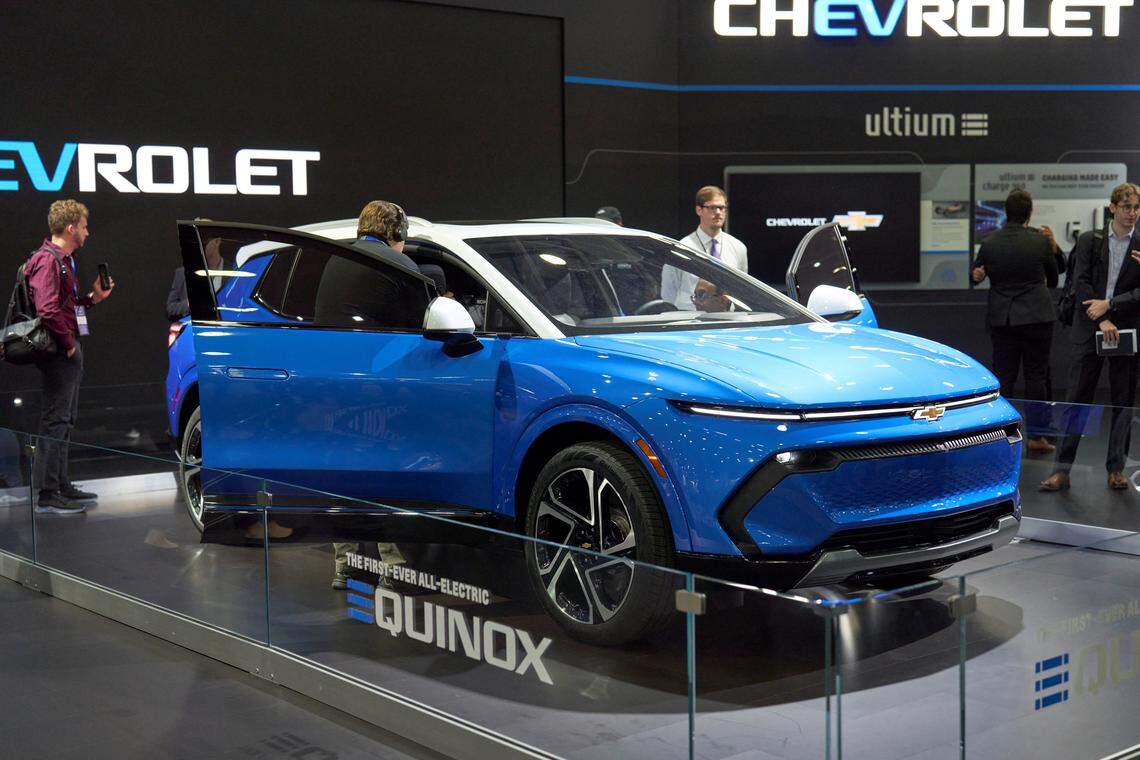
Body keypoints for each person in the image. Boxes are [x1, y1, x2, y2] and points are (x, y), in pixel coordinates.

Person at [328, 200, 416, 589]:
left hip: (333, 383)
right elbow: (422, 333)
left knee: (343, 474)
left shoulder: (334, 261)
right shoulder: (399, 266)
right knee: (385, 475)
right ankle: (393, 569)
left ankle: (344, 564)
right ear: (395, 234)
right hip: (380, 387)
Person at [1041, 182, 1140, 492]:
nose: (1132, 213)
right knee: (1077, 401)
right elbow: (1080, 283)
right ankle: (1061, 470)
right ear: (1112, 208)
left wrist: (1111, 307)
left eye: (1136, 208)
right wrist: (1101, 320)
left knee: (1123, 402)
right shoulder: (1089, 241)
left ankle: (1116, 469)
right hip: (1090, 329)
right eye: (1126, 207)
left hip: (1124, 331)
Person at [25, 200, 114, 514]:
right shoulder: (48, 260)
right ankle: (49, 493)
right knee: (55, 420)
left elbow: (67, 307)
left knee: (65, 420)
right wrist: (68, 345)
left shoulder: (65, 261)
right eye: (85, 226)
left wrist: (92, 298)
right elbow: (47, 310)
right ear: (71, 227)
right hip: (59, 351)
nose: (88, 232)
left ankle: (60, 484)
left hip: (68, 349)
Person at [970, 189, 1059, 454]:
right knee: (1036, 376)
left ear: (1006, 212)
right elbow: (1053, 280)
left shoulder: (990, 243)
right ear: (1029, 213)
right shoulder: (1040, 242)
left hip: (1003, 318)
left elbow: (975, 276)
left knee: (1004, 377)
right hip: (1037, 316)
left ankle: (1001, 436)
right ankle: (1038, 437)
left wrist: (978, 276)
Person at [662, 186, 748, 309]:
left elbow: (742, 290)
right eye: (712, 207)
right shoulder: (681, 248)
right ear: (699, 210)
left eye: (722, 208)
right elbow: (668, 293)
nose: (718, 212)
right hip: (689, 319)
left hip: (728, 319)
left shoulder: (738, 247)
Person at [166, 236, 222, 320]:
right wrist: (189, 303)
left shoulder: (234, 270)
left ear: (217, 242)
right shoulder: (182, 273)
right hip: (194, 328)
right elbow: (170, 309)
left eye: (203, 241)